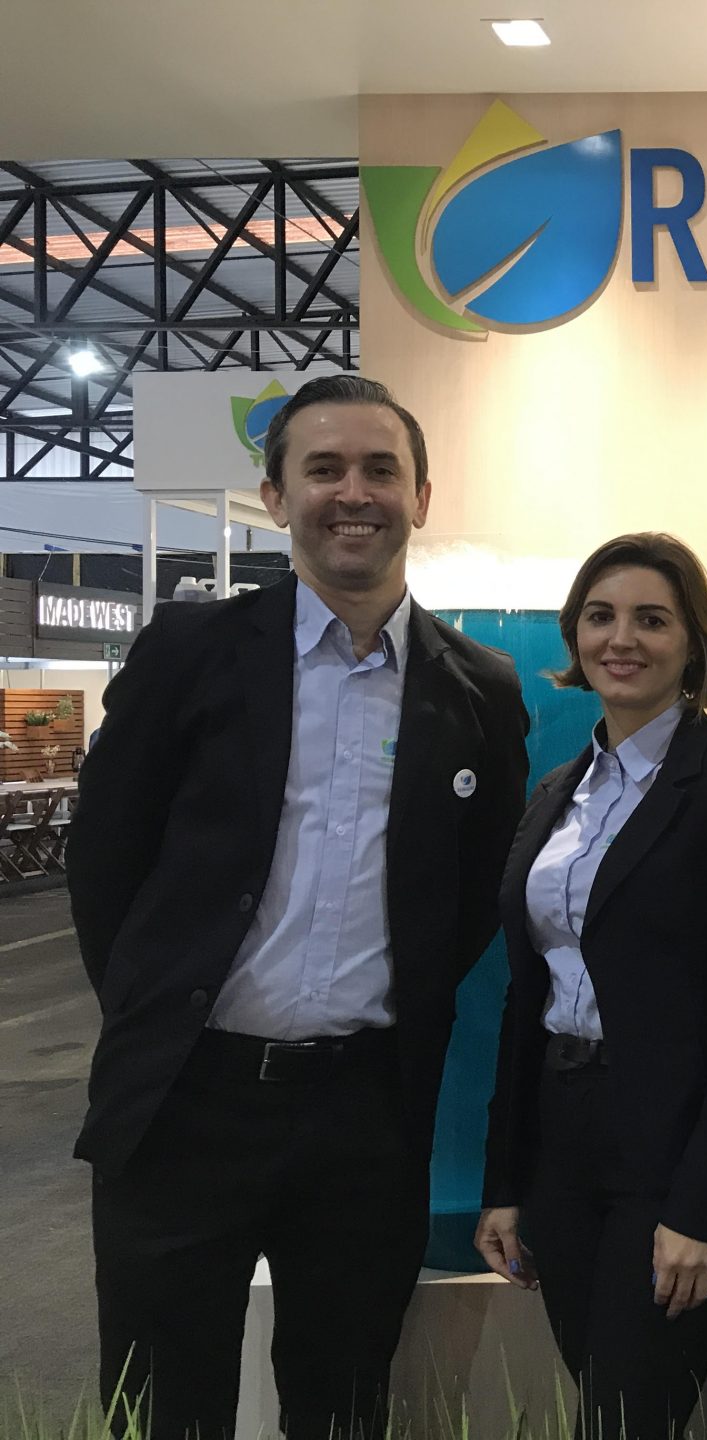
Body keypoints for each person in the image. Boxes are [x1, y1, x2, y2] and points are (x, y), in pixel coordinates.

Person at [67, 374, 530, 1440]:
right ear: (276, 497)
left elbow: (469, 900)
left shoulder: (480, 689)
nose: (352, 493)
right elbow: (106, 862)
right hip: (185, 1104)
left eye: (380, 469)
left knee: (344, 1403)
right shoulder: (188, 654)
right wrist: (157, 1008)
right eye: (323, 469)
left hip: (363, 1117)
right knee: (161, 1406)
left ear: (421, 496)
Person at [473, 533, 707, 1440]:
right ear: (575, 635)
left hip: (676, 1144)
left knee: (628, 1414)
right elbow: (527, 994)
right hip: (562, 1138)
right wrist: (504, 1181)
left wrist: (704, 1202)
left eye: (652, 620)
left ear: (693, 643)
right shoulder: (559, 793)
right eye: (601, 616)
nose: (621, 639)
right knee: (601, 1400)